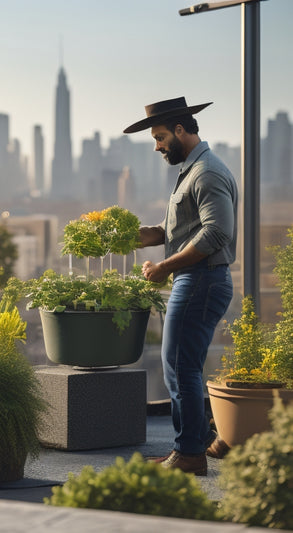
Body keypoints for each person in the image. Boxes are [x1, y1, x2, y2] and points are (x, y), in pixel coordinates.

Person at [123, 97, 238, 476]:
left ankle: (189, 454)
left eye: (159, 137)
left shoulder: (205, 172)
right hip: (196, 278)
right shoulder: (192, 171)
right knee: (181, 366)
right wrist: (132, 236)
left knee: (178, 366)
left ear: (180, 130)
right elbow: (176, 231)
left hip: (202, 280)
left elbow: (217, 232)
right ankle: (197, 440)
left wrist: (164, 269)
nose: (157, 146)